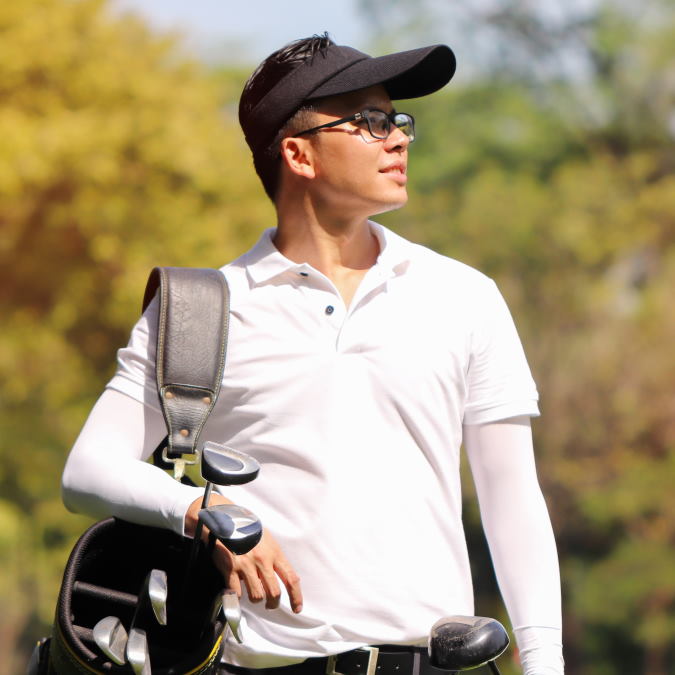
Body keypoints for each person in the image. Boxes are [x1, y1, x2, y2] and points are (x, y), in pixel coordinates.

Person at [62, 34, 564, 675]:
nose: (399, 139)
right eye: (371, 122)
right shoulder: (203, 310)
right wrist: (202, 511)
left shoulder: (464, 295)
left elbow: (511, 495)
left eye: (398, 121)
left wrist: (545, 660)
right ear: (298, 154)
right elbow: (88, 468)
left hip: (432, 662)